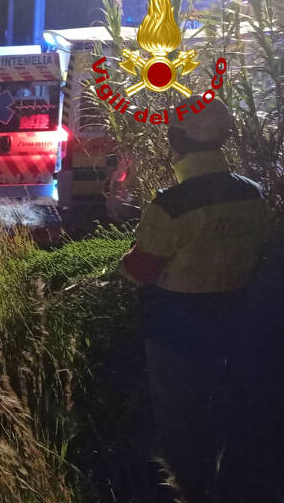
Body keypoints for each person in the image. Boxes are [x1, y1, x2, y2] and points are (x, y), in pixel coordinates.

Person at [119, 97, 276, 503]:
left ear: (178, 139)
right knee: (231, 408)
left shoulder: (171, 204)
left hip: (176, 327)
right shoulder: (253, 194)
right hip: (238, 318)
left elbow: (139, 269)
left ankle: (189, 490)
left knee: (181, 417)